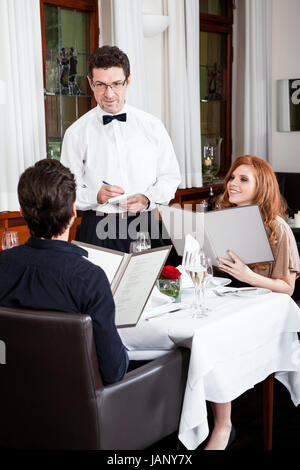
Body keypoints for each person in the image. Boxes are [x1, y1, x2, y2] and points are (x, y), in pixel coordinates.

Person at [0, 159, 129, 385]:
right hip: (78, 413)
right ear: (73, 212)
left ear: (22, 212)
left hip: (12, 404)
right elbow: (113, 371)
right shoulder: (89, 278)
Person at [204, 155, 300, 450]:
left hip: (265, 315)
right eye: (232, 177)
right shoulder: (220, 221)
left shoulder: (278, 228)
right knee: (203, 336)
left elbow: (287, 288)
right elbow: (220, 273)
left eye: (243, 179)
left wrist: (248, 275)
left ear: (262, 187)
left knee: (214, 340)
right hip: (231, 303)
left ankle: (222, 426)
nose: (232, 183)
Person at [60, 45, 181, 260]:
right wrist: (95, 195)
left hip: (145, 225)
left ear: (128, 81)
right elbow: (66, 191)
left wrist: (146, 199)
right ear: (90, 83)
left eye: (116, 84)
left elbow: (170, 177)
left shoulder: (152, 126)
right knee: (96, 291)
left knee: (151, 292)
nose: (109, 94)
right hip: (96, 226)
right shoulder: (76, 133)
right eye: (101, 85)